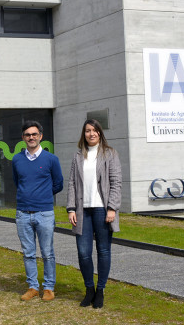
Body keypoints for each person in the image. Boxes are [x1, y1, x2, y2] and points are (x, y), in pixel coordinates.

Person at [66, 119, 121, 309]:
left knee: (103, 251)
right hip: (82, 211)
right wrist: (71, 208)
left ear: (100, 133)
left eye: (95, 130)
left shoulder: (110, 154)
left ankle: (100, 290)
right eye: (88, 130)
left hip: (102, 210)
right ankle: (89, 289)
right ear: (84, 133)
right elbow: (72, 183)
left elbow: (116, 182)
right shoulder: (78, 156)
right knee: (83, 252)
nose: (91, 133)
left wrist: (112, 207)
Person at [12, 120, 64, 302]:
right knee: (28, 252)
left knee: (47, 252)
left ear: (40, 136)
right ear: (23, 138)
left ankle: (48, 287)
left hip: (44, 213)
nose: (31, 137)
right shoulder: (17, 159)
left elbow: (58, 184)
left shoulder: (51, 159)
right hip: (23, 213)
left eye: (34, 134)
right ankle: (33, 286)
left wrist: (42, 195)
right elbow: (18, 182)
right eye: (28, 135)